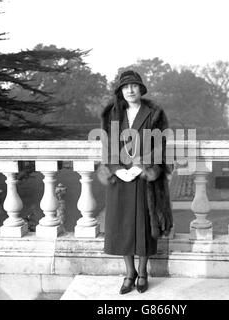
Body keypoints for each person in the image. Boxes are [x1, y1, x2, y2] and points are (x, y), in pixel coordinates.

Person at [97, 70, 173, 294]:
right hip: (119, 180)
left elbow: (160, 145)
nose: (130, 90)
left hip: (144, 179)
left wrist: (142, 167)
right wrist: (117, 170)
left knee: (144, 226)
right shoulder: (112, 114)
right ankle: (128, 273)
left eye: (134, 86)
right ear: (120, 91)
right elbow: (107, 146)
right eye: (125, 87)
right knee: (122, 227)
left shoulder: (154, 113)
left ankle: (142, 273)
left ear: (141, 89)